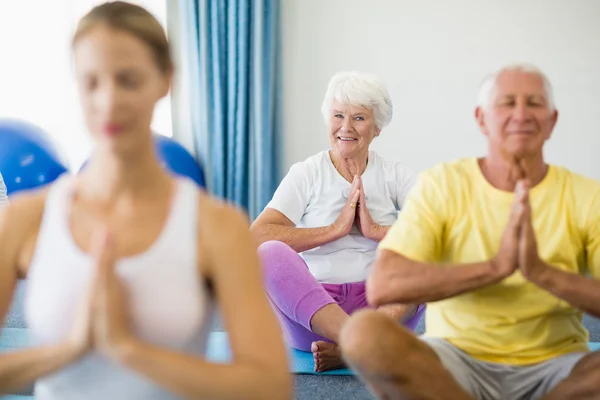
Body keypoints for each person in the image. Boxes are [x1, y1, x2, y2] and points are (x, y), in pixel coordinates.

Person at [0, 2, 291, 399]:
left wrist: (129, 349)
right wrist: (69, 349)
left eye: (128, 80)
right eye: (91, 82)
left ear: (165, 80)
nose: (108, 101)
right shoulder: (25, 218)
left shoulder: (217, 225)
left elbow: (270, 386)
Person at [339, 64, 600, 400]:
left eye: (534, 103)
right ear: (482, 119)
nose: (521, 114)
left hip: (558, 367)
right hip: (455, 363)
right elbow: (384, 285)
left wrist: (540, 272)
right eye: (507, 103)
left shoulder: (587, 196)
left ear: (551, 121)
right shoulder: (442, 185)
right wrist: (495, 268)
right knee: (364, 333)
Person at [250, 71, 424, 372]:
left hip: (384, 310)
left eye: (359, 118)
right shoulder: (306, 173)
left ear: (377, 127)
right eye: (338, 115)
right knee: (268, 254)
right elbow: (258, 235)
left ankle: (352, 346)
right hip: (315, 314)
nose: (346, 127)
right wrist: (334, 230)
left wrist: (377, 231)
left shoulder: (395, 174)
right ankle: (360, 343)